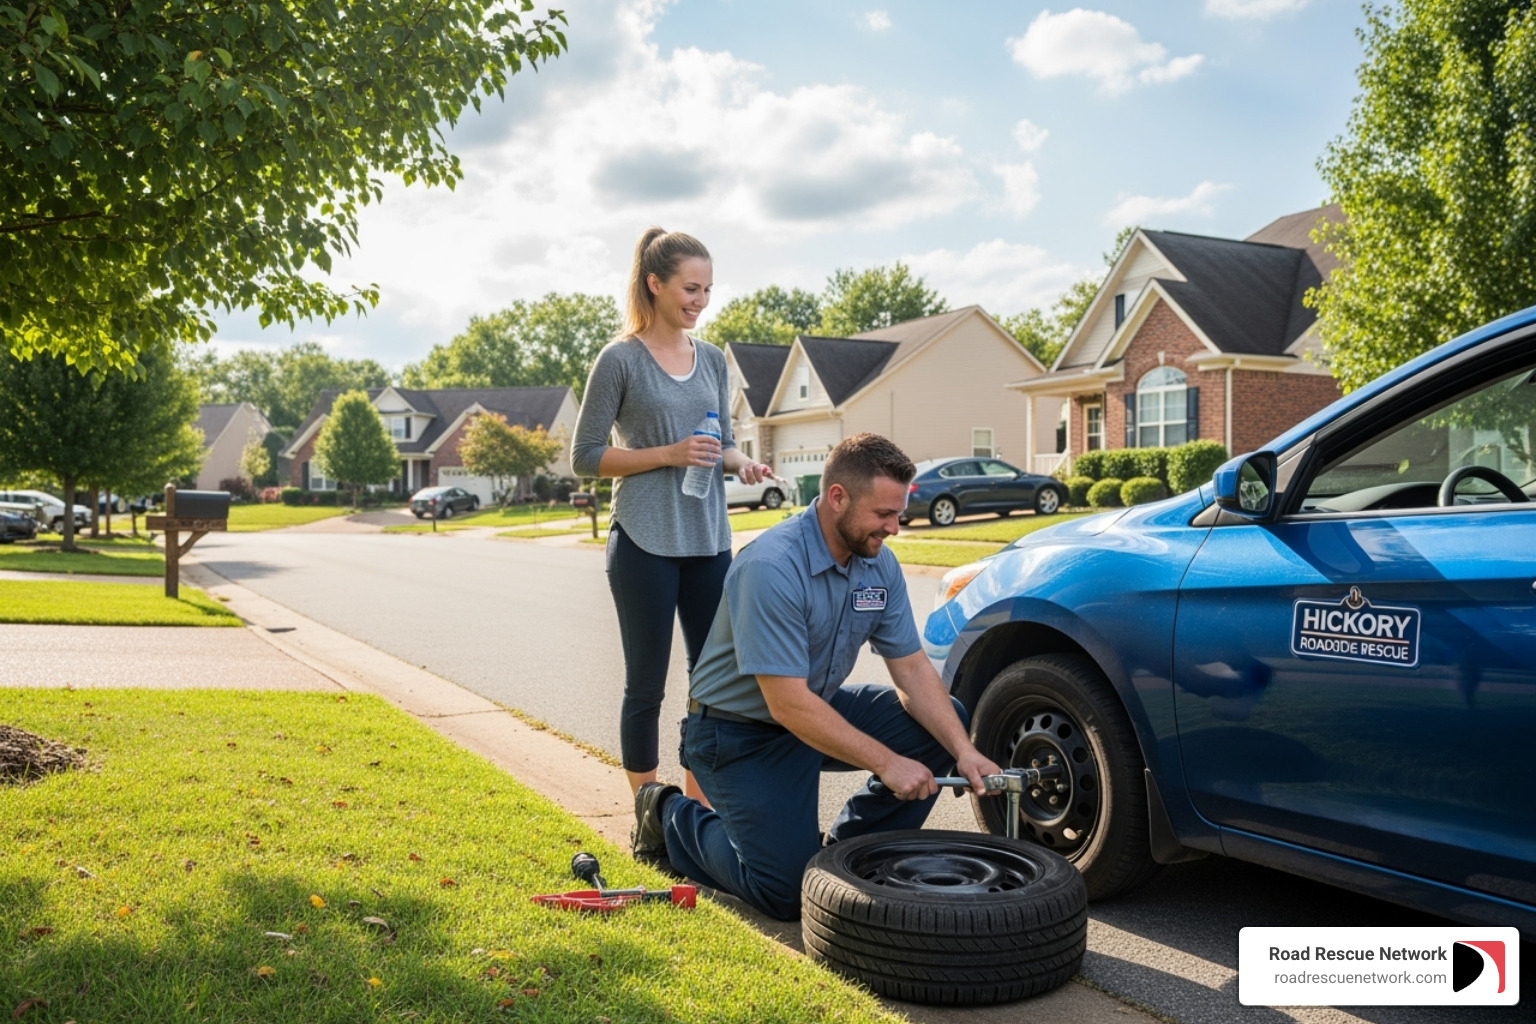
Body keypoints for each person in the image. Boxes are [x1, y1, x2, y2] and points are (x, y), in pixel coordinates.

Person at [631, 433, 1001, 920]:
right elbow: (786, 704)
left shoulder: (877, 563)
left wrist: (965, 749)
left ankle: (843, 855)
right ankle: (668, 816)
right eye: (884, 514)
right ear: (837, 498)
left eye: (898, 513)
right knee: (784, 894)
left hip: (815, 710)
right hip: (737, 733)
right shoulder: (771, 566)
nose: (896, 527)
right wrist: (888, 763)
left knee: (943, 721)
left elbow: (910, 667)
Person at [571, 227, 774, 811]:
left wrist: (742, 465)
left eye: (708, 290)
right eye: (691, 288)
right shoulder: (619, 360)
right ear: (654, 284)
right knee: (647, 687)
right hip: (643, 541)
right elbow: (585, 457)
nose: (700, 301)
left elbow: (724, 442)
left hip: (709, 539)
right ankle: (649, 815)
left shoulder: (712, 360)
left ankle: (698, 811)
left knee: (712, 684)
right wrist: (669, 453)